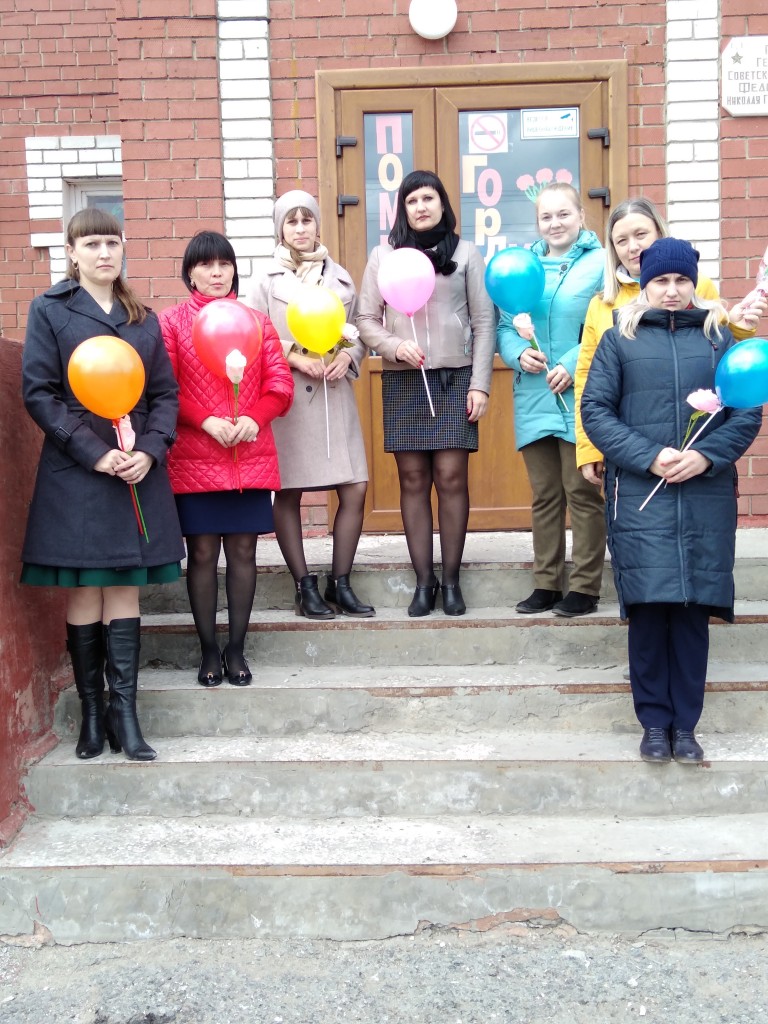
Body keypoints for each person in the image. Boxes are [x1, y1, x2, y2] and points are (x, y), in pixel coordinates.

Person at [581, 238, 762, 764]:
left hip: (704, 496)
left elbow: (746, 411)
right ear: (645, 285)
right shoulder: (619, 339)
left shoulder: (719, 338)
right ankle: (654, 725)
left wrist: (706, 456)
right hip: (642, 497)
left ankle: (686, 727)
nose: (672, 290)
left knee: (690, 615)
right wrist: (650, 456)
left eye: (682, 280)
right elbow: (596, 412)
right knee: (649, 611)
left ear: (694, 283)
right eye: (661, 281)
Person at [21, 208, 185, 762]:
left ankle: (125, 715)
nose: (104, 253)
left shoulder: (143, 318)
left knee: (124, 588)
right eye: (91, 244)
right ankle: (93, 716)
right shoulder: (49, 309)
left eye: (112, 242)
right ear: (71, 252)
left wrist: (150, 450)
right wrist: (94, 453)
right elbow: (39, 393)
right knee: (85, 589)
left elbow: (164, 395)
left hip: (135, 469)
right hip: (78, 472)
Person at [357, 170, 495, 617]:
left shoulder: (467, 253)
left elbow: (484, 321)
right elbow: (365, 319)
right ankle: (424, 582)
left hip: (455, 379)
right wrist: (394, 346)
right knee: (413, 481)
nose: (421, 206)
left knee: (452, 478)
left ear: (442, 204)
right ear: (403, 208)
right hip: (405, 378)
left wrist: (480, 384)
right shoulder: (384, 256)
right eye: (412, 200)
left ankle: (451, 581)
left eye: (428, 198)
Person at [159, 232, 293, 686]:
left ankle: (236, 649)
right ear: (190, 272)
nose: (216, 273)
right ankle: (208, 651)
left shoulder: (257, 321)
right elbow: (164, 390)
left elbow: (280, 386)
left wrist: (255, 417)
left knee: (242, 552)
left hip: (248, 458)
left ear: (234, 270)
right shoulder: (171, 323)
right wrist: (205, 420)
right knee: (201, 554)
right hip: (195, 457)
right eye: (206, 265)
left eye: (224, 264)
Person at [575, 197, 766, 487]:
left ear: (659, 233)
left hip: (697, 464)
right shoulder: (603, 304)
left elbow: (717, 356)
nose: (633, 246)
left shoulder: (697, 284)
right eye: (621, 240)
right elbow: (588, 381)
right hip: (632, 457)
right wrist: (589, 448)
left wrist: (736, 328)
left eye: (641, 234)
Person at [247, 190, 374, 620]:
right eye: (292, 221)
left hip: (334, 394)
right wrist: (294, 356)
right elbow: (254, 335)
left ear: (318, 224)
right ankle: (304, 586)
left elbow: (356, 331)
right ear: (280, 229)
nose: (300, 228)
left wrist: (348, 358)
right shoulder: (265, 280)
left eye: (307, 220)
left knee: (355, 486)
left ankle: (341, 582)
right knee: (289, 490)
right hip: (289, 398)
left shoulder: (340, 277)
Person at [497, 182, 605, 618]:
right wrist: (517, 354)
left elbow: (608, 324)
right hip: (534, 393)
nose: (555, 223)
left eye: (564, 214)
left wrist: (573, 361)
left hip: (580, 391)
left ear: (581, 216)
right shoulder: (523, 266)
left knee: (581, 491)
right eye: (546, 216)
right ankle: (546, 584)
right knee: (544, 494)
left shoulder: (600, 264)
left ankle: (585, 587)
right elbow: (505, 326)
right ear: (537, 222)